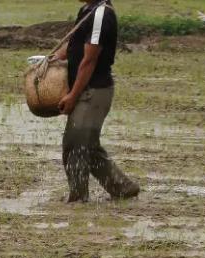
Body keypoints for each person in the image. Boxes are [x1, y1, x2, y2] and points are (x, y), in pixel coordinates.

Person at [54, 0, 140, 203]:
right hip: (86, 90)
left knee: (76, 144)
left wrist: (73, 95)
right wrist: (55, 57)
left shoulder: (101, 14)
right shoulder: (87, 10)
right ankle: (122, 187)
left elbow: (89, 59)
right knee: (87, 145)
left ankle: (78, 197)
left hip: (94, 91)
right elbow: (75, 44)